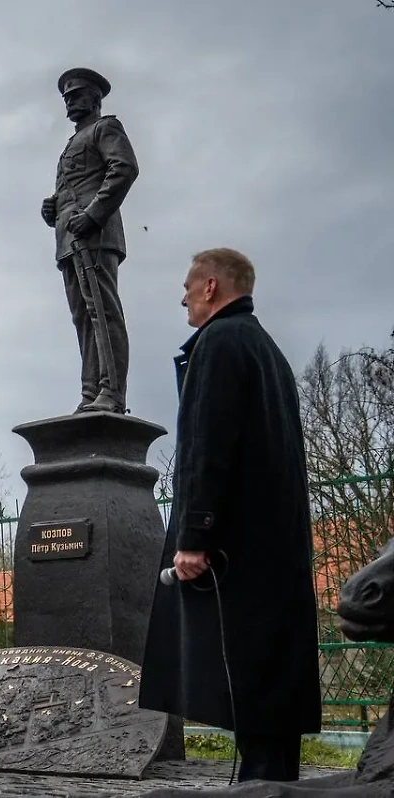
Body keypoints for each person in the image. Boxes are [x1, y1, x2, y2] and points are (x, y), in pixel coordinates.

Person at [138, 248, 321, 782]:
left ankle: (260, 789)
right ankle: (270, 783)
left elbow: (206, 447)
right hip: (272, 547)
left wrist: (194, 536)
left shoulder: (217, 344)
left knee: (244, 680)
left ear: (212, 287)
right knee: (269, 690)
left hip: (232, 550)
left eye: (189, 287)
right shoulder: (266, 349)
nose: (183, 297)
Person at [41, 67, 139, 414]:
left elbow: (124, 168)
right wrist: (53, 207)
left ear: (95, 98)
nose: (69, 101)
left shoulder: (105, 128)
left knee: (103, 313)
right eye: (66, 97)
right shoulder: (71, 144)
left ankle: (112, 393)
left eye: (76, 94)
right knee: (83, 318)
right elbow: (73, 187)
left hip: (94, 236)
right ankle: (90, 393)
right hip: (69, 240)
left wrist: (94, 214)